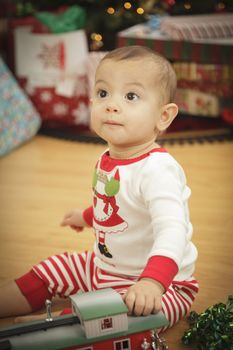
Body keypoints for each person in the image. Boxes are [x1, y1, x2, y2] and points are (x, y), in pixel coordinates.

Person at [0, 46, 198, 330]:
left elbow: (173, 231)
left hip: (163, 285)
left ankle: (47, 329)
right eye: (103, 93)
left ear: (163, 117)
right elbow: (117, 205)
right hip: (103, 267)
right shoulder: (107, 157)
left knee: (110, 320)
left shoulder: (158, 170)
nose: (111, 105)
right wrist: (87, 216)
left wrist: (152, 282)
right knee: (52, 269)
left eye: (131, 96)